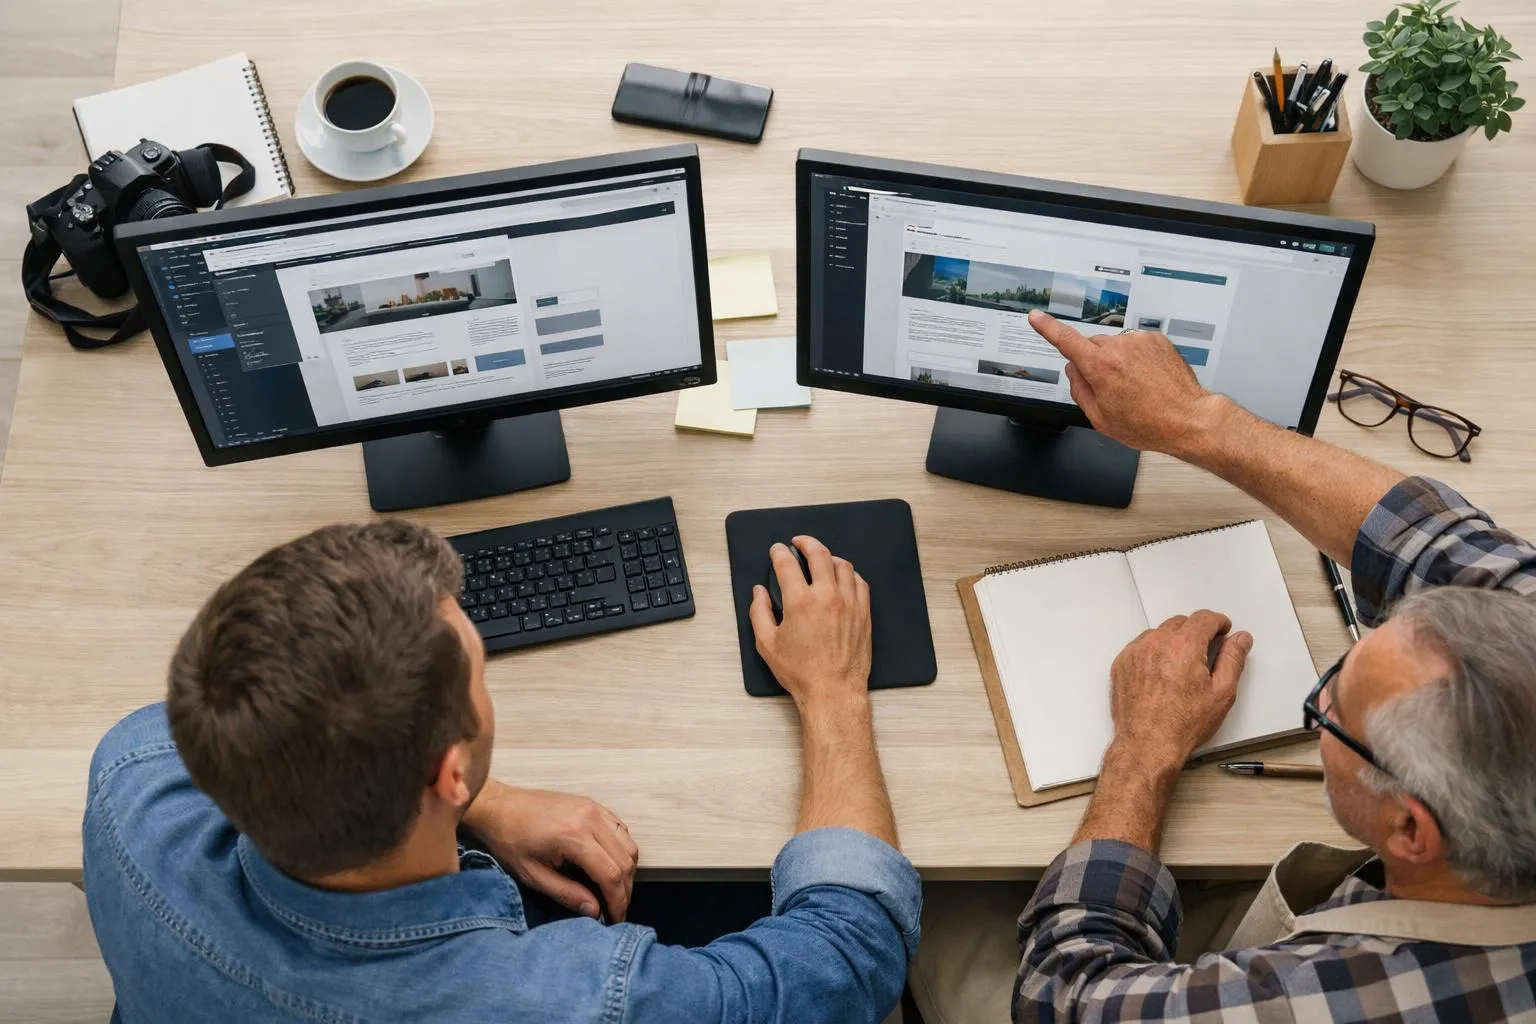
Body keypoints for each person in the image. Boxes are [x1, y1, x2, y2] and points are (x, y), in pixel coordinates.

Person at [911, 309, 1536, 1024]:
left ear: (1411, 832)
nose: (1324, 696)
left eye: (1328, 703)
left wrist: (1144, 749)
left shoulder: (1354, 1002)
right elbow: (1433, 539)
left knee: (940, 917)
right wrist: (1193, 418)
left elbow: (1064, 996)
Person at [83, 525, 919, 1023]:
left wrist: (485, 803)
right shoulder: (567, 1001)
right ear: (446, 770)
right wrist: (834, 689)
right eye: (483, 669)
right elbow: (852, 958)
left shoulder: (131, 784)